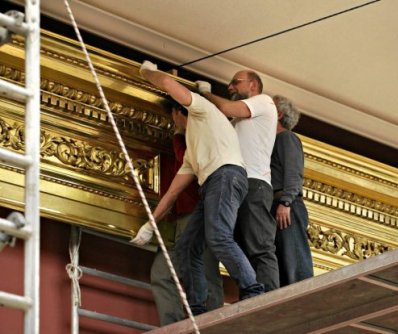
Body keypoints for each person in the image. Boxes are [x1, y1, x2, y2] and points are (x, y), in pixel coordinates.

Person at [131, 60, 264, 316]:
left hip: (226, 175)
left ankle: (252, 289)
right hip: (214, 183)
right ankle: (197, 304)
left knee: (218, 237)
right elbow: (172, 194)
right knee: (187, 246)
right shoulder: (193, 148)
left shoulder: (203, 110)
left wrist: (147, 72)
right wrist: (150, 226)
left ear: (178, 113)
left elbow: (169, 83)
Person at [197, 70, 280, 292]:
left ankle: (269, 298)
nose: (230, 87)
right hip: (240, 182)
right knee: (239, 244)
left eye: (235, 82)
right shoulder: (237, 120)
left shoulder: (263, 102)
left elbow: (224, 107)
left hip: (255, 183)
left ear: (253, 85)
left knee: (259, 246)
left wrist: (206, 93)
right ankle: (252, 294)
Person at [148, 97, 223, 325]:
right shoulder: (184, 141)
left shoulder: (200, 138)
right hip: (181, 222)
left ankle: (211, 326)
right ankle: (174, 328)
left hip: (200, 218)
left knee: (206, 273)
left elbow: (188, 165)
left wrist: (179, 134)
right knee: (163, 274)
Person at [270, 95, 313, 286]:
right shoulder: (271, 142)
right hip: (277, 205)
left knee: (292, 259)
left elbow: (294, 173)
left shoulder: (286, 137)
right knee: (282, 260)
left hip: (286, 206)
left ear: (278, 114)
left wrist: (286, 201)